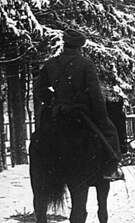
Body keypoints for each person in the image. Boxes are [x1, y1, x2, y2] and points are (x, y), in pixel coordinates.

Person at [34, 29, 121, 179]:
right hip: (81, 112)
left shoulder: (51, 64)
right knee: (111, 132)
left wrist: (52, 99)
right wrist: (101, 117)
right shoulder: (86, 64)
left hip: (58, 111)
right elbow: (95, 94)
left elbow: (39, 88)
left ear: (64, 44)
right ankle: (111, 169)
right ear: (80, 46)